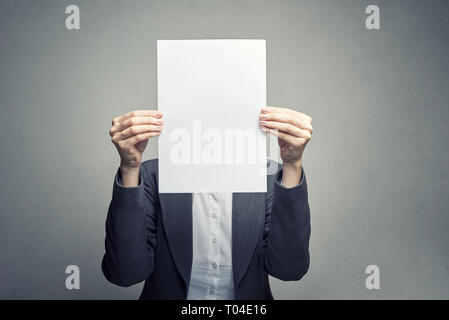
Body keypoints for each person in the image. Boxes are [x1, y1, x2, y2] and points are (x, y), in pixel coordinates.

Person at [102, 106, 313, 299]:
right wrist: (129, 168)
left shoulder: (267, 177)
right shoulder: (152, 176)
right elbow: (124, 273)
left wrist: (292, 165)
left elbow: (288, 269)